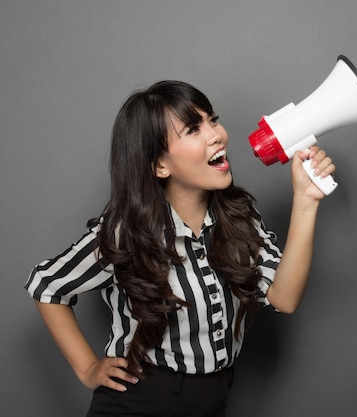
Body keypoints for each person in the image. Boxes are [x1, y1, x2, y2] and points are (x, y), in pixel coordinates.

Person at [25, 80, 335, 416]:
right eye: (193, 129)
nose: (216, 135)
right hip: (139, 401)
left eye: (212, 120)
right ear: (160, 165)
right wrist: (88, 369)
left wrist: (305, 202)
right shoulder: (126, 232)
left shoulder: (240, 218)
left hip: (212, 400)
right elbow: (47, 284)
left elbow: (284, 298)